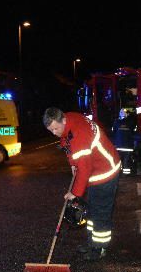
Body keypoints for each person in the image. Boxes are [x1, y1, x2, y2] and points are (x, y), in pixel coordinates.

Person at [43, 108, 122, 260]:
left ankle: (99, 249)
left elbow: (84, 169)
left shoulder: (80, 133)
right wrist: (73, 163)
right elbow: (67, 143)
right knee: (92, 210)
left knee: (101, 214)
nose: (54, 132)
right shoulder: (69, 119)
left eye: (55, 128)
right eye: (50, 130)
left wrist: (75, 194)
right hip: (95, 170)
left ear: (63, 120)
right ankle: (91, 243)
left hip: (105, 172)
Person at [112, 108, 136, 175]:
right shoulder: (130, 122)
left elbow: (114, 132)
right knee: (126, 160)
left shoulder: (116, 122)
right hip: (128, 146)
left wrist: (114, 143)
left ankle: (119, 173)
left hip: (119, 145)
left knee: (119, 160)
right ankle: (126, 174)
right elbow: (133, 131)